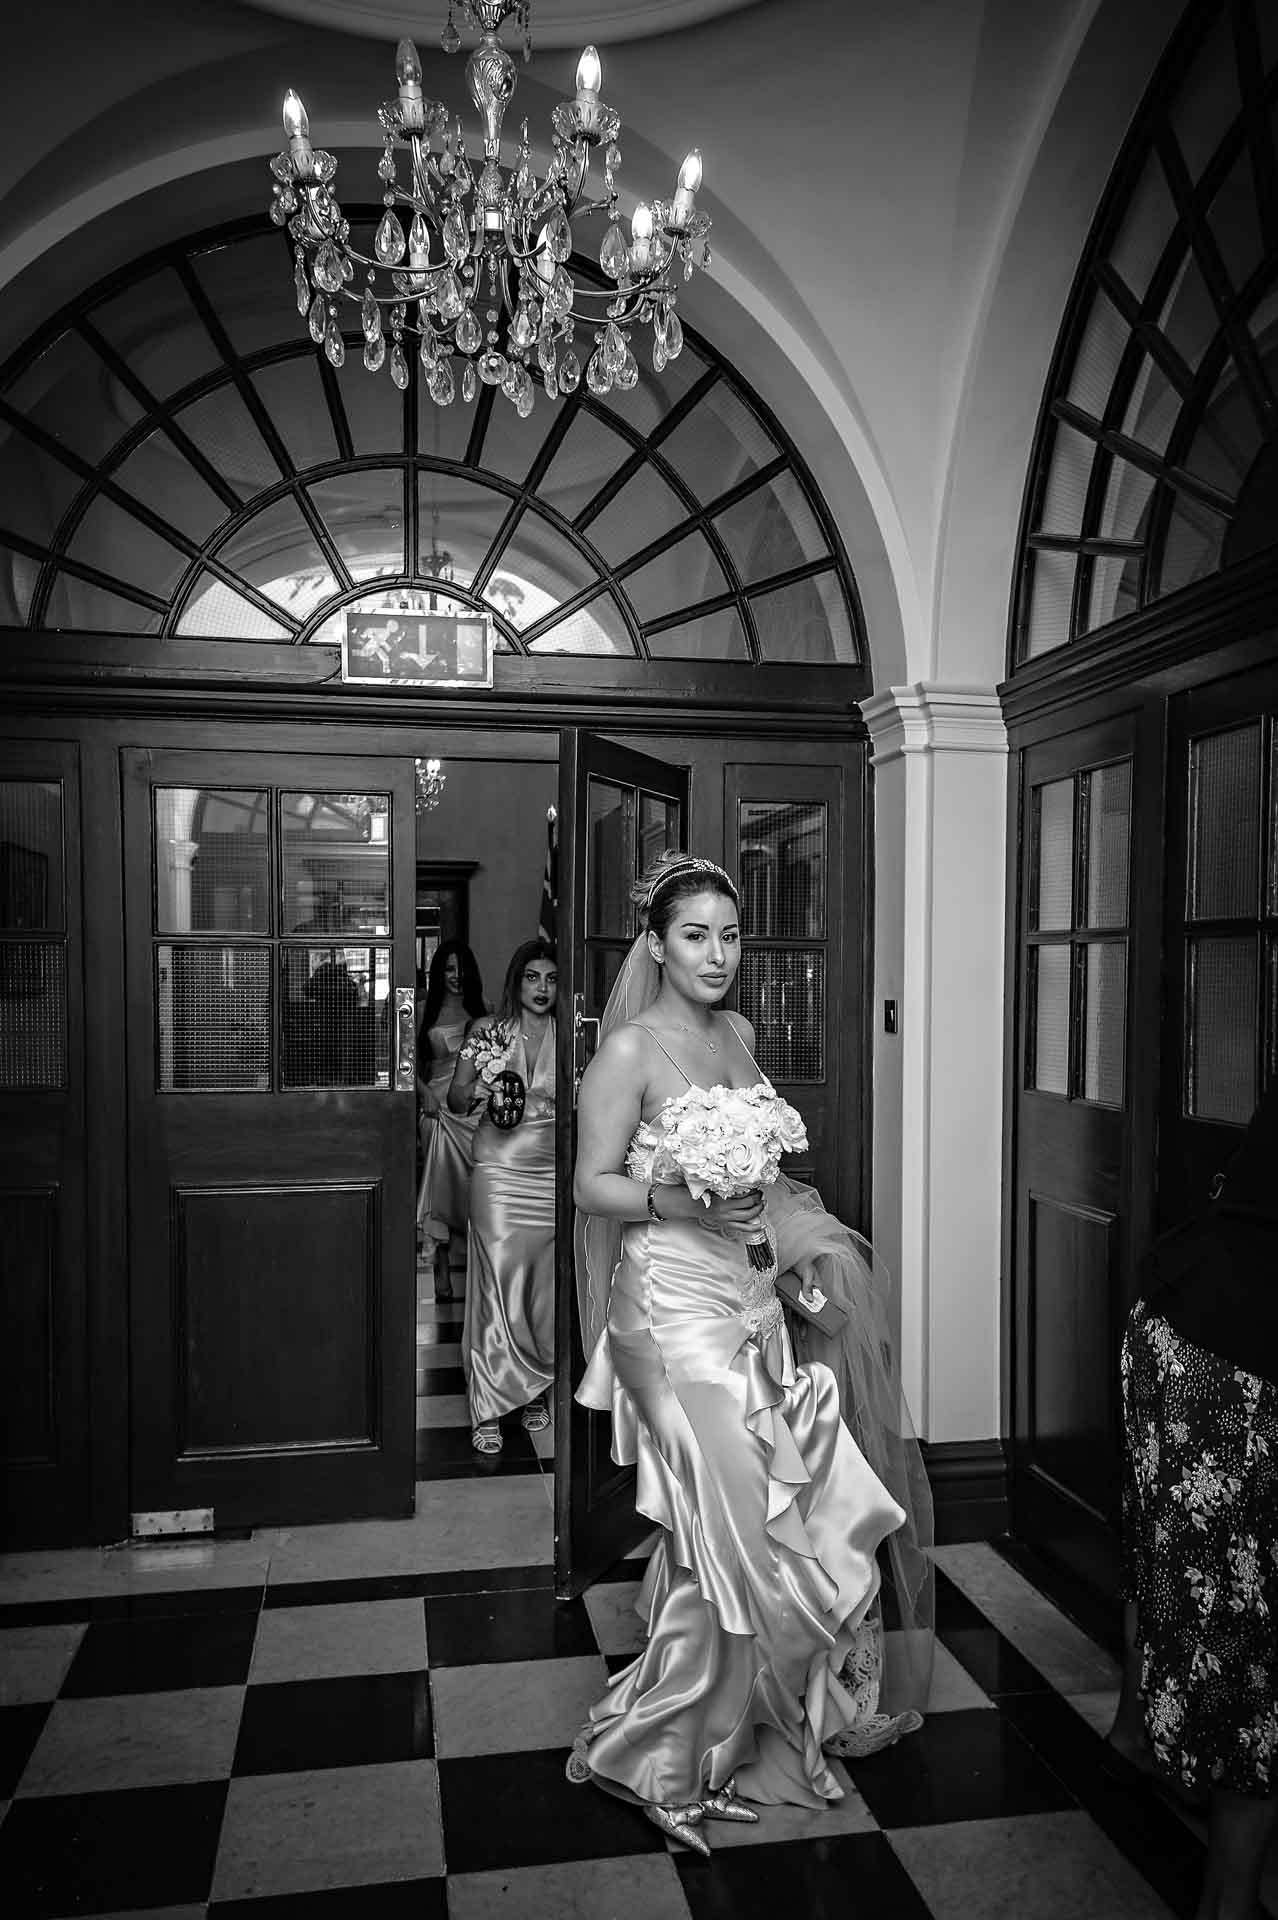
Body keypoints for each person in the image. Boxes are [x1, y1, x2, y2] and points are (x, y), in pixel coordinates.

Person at [568, 851, 932, 1852]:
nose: (718, 953)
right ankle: (657, 1763)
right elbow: (589, 1183)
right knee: (731, 1541)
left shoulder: (739, 1034)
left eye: (730, 935)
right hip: (670, 1318)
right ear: (657, 943)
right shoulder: (629, 1051)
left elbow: (761, 1193)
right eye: (696, 934)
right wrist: (675, 1200)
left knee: (762, 1532)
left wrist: (790, 1277)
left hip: (752, 1309)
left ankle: (725, 1731)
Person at [1108, 1083, 1278, 1920]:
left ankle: (1136, 1729)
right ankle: (1230, 1899)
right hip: (1242, 1343)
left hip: (1173, 1304)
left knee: (1162, 1540)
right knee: (1254, 1619)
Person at [447, 939, 557, 1454]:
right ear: (516, 982)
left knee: (540, 1282)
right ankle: (489, 1400)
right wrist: (481, 1091)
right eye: (532, 977)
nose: (542, 988)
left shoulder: (574, 1035)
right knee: (495, 1278)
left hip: (549, 1169)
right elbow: (455, 1094)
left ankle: (534, 1386)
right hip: (497, 1169)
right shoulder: (486, 1032)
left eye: (552, 978)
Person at [415, 941, 487, 1301]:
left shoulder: (483, 1013)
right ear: (438, 973)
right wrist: (424, 1092)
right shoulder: (423, 1011)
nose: (456, 976)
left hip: (473, 1110)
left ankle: (479, 1268)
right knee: (439, 1183)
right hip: (435, 1110)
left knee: (476, 1185)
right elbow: (403, 1061)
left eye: (462, 969)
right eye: (448, 969)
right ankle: (441, 1265)